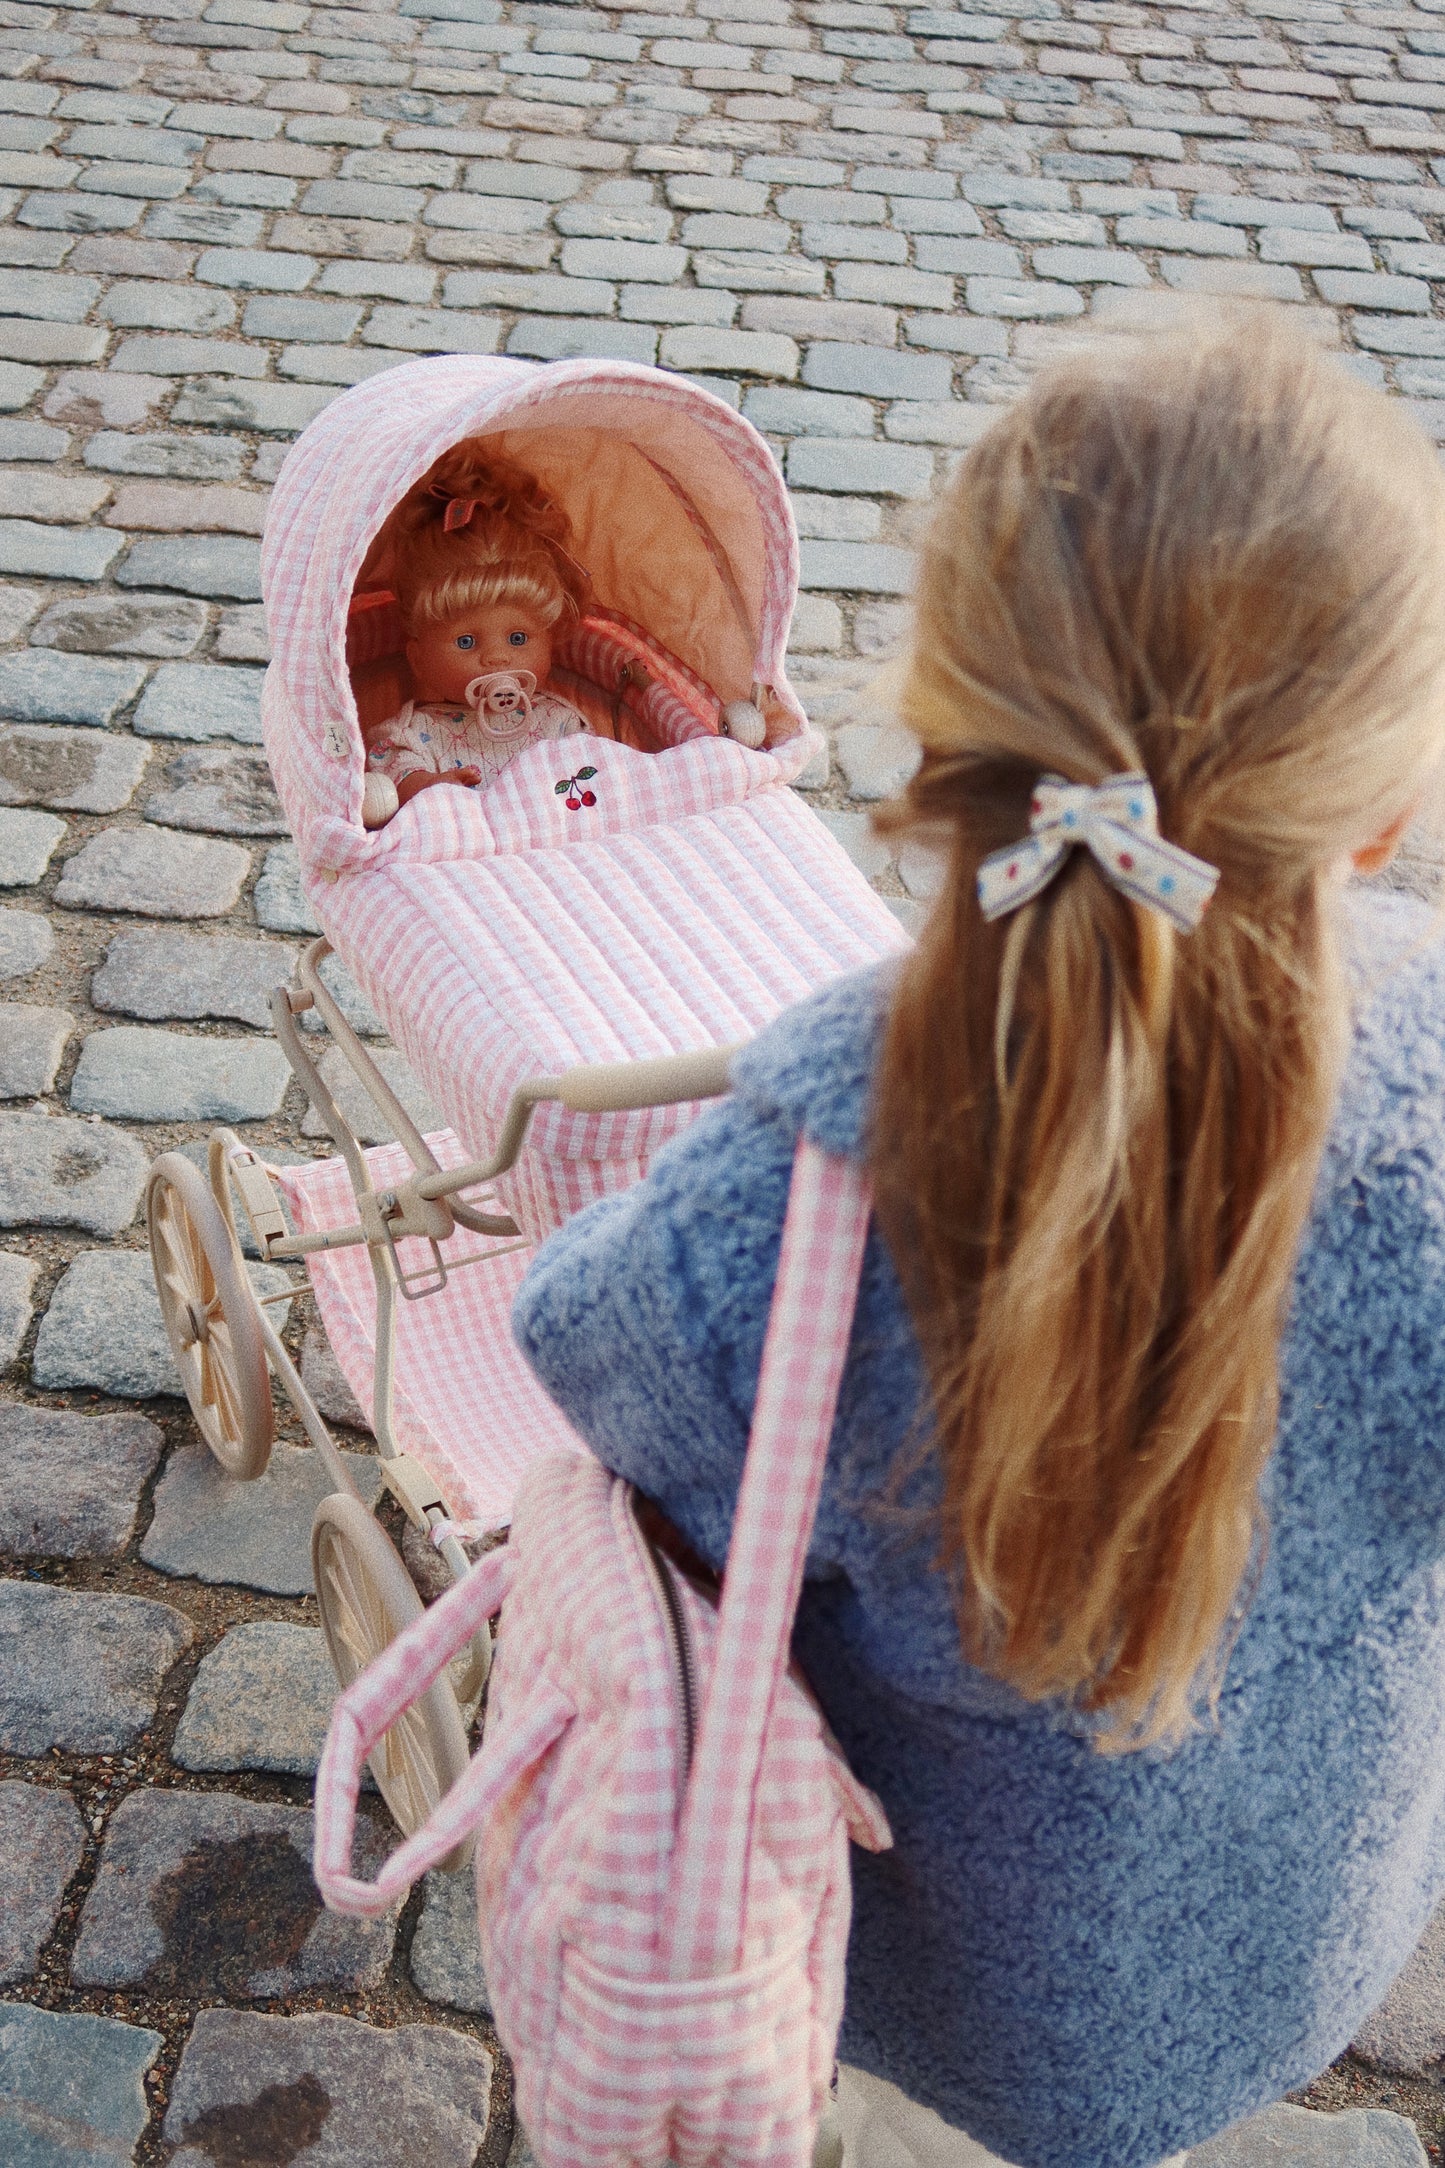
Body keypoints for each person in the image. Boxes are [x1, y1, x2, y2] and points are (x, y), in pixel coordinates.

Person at [511, 315, 1445, 2168]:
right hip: (1297, 1929)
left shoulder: (802, 1194)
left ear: (951, 730)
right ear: (1384, 815)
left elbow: (585, 1354)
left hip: (956, 1987)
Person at [359, 449, 591, 827]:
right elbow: (391, 787)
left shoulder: (559, 722)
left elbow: (598, 779)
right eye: (466, 642)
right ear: (418, 659)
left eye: (518, 638)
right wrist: (431, 788)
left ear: (549, 640)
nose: (497, 659)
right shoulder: (412, 733)